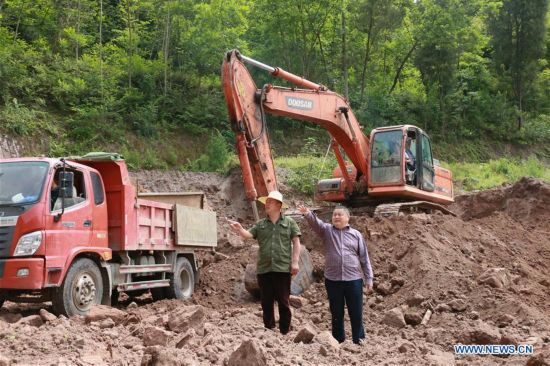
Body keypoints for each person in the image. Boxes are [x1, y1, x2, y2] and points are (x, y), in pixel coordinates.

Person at [297, 204, 373, 345]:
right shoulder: (327, 230)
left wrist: (369, 278)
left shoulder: (356, 235)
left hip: (354, 279)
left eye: (340, 214)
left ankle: (359, 339)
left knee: (356, 312)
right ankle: (338, 340)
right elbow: (316, 223)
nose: (336, 217)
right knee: (336, 312)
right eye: (334, 215)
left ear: (347, 218)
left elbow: (364, 257)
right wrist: (307, 213)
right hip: (333, 280)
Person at [229, 191, 301, 335]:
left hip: (282, 267)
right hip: (264, 269)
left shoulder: (289, 223)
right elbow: (247, 235)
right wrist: (240, 229)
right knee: (266, 301)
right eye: (266, 202)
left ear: (279, 205)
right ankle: (269, 329)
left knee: (283, 301)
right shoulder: (260, 224)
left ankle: (284, 331)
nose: (267, 204)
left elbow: (296, 242)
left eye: (270, 202)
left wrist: (295, 262)